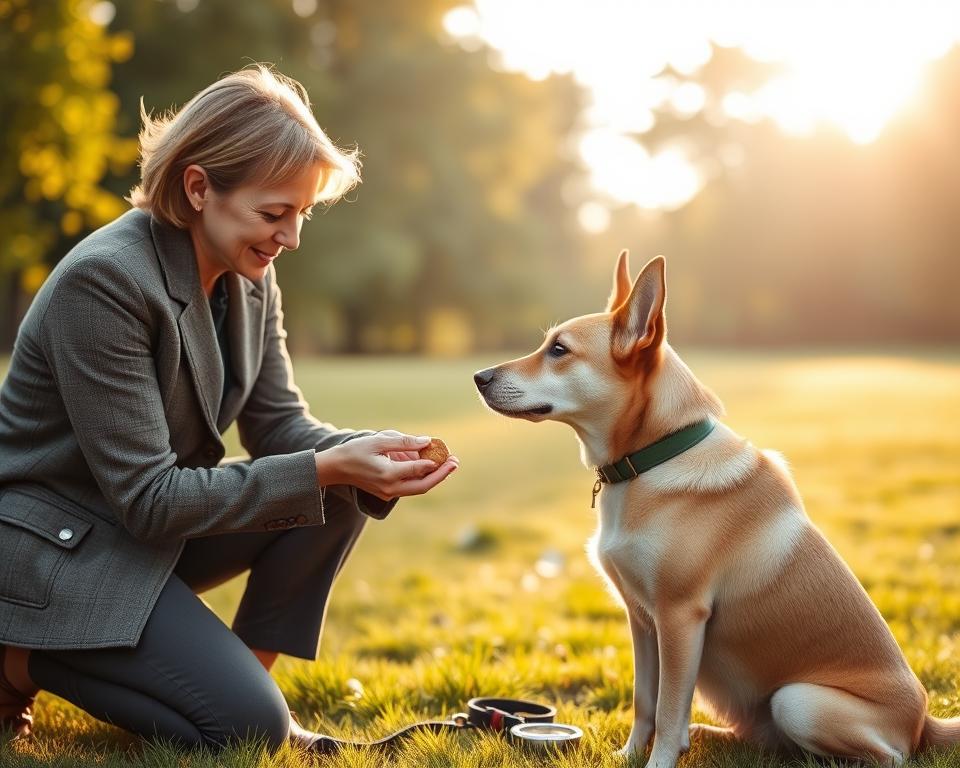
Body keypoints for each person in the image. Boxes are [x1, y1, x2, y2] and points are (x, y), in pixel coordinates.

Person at [0, 65, 458, 752]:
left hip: (134, 534)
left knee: (336, 490)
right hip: (56, 553)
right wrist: (328, 465)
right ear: (197, 187)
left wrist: (372, 449)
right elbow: (150, 499)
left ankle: (248, 687)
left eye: (301, 214)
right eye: (275, 213)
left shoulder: (249, 275)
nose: (290, 238)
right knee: (248, 728)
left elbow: (280, 427)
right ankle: (15, 659)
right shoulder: (106, 282)